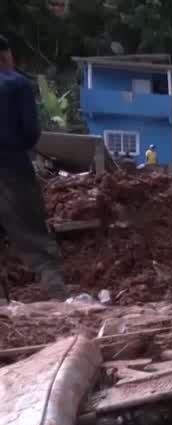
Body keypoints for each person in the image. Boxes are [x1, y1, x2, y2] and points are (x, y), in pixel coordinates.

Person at [0, 34, 67, 300]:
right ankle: (59, 299)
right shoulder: (16, 84)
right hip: (12, 170)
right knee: (34, 240)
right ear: (6, 55)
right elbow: (30, 133)